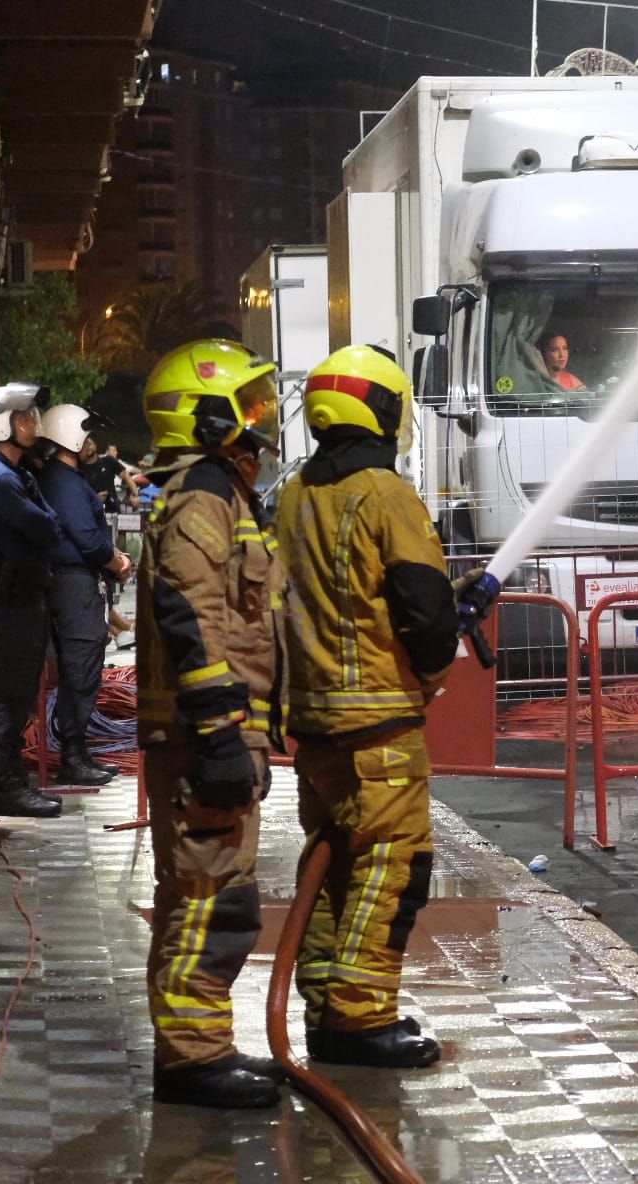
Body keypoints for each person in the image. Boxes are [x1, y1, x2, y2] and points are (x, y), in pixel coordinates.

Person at [278, 345, 460, 1071]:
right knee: (391, 869)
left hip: (314, 726)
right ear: (383, 410)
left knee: (329, 872)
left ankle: (325, 1008)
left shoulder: (294, 494)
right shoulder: (386, 494)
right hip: (380, 728)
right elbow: (423, 605)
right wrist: (436, 668)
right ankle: (360, 1021)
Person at [135, 340, 288, 1108]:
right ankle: (194, 1061)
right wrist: (223, 732)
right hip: (203, 739)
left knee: (204, 892)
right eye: (248, 405)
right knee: (209, 898)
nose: (259, 422)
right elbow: (190, 616)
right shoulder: (202, 496)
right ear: (209, 417)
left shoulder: (217, 493)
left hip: (211, 732)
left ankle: (201, 1047)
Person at [35, 405, 132, 786]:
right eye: (87, 435)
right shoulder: (67, 484)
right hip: (75, 584)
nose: (92, 443)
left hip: (70, 582)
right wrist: (118, 561)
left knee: (80, 667)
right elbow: (88, 539)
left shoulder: (59, 479)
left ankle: (76, 751)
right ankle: (73, 756)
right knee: (81, 668)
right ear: (70, 436)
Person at [0, 383, 64, 819]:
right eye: (22, 417)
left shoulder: (16, 474)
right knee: (7, 695)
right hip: (9, 606)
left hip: (20, 601)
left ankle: (9, 776)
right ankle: (4, 784)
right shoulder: (3, 481)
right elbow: (47, 529)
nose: (31, 423)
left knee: (15, 695)